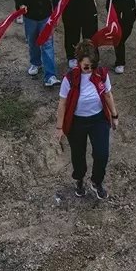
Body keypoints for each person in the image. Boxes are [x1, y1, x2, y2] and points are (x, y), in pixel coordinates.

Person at [55, 40, 118, 200]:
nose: (89, 69)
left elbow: (107, 95)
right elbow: (62, 103)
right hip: (77, 122)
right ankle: (79, 179)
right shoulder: (69, 79)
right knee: (78, 154)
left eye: (92, 65)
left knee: (102, 153)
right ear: (78, 62)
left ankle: (96, 182)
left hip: (98, 119)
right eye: (86, 65)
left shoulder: (102, 74)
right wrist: (60, 127)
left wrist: (114, 115)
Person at [14, 0, 62, 87]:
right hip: (30, 17)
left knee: (47, 44)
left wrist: (56, 15)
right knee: (33, 42)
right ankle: (35, 63)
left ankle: (50, 76)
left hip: (46, 17)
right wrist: (21, 5)